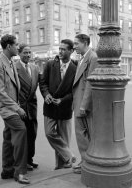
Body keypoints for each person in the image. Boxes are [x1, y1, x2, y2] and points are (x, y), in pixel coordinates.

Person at [0, 35, 30, 184]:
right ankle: (19, 172)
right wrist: (17, 108)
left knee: (8, 137)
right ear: (8, 46)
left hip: (11, 105)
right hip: (7, 108)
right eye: (16, 45)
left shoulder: (11, 61)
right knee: (21, 130)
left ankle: (7, 170)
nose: (18, 47)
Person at [39, 39, 77, 170]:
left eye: (63, 49)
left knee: (64, 139)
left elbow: (75, 90)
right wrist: (46, 95)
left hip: (65, 108)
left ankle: (61, 167)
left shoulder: (75, 67)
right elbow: (42, 83)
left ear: (71, 51)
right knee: (49, 133)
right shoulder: (50, 64)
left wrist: (63, 100)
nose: (60, 51)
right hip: (50, 106)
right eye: (59, 49)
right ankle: (68, 154)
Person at [72, 34, 97, 174]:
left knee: (85, 134)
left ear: (85, 43)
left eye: (76, 44)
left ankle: (88, 163)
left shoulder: (93, 57)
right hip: (78, 102)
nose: (74, 46)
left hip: (84, 104)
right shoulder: (83, 58)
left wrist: (84, 105)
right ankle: (85, 160)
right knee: (81, 134)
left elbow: (90, 83)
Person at [16, 44, 40, 170]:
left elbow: (43, 84)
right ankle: (22, 161)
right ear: (19, 53)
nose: (28, 55)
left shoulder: (35, 67)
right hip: (21, 107)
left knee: (32, 134)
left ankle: (29, 159)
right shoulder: (14, 67)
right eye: (25, 52)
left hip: (32, 106)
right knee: (22, 136)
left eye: (29, 52)